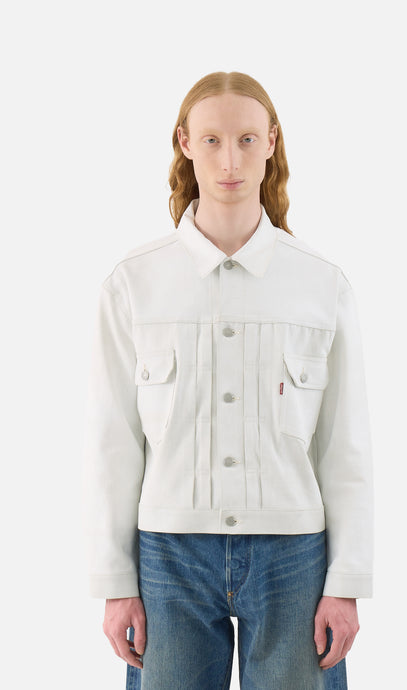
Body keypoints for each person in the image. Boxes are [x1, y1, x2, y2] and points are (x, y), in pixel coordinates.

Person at [82, 70, 374, 690]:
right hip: (169, 555)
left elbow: (344, 445)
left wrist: (346, 582)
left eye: (246, 139)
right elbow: (112, 442)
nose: (230, 160)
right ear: (184, 142)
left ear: (271, 141)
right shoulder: (133, 283)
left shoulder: (321, 284)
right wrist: (115, 582)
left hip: (293, 554)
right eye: (212, 140)